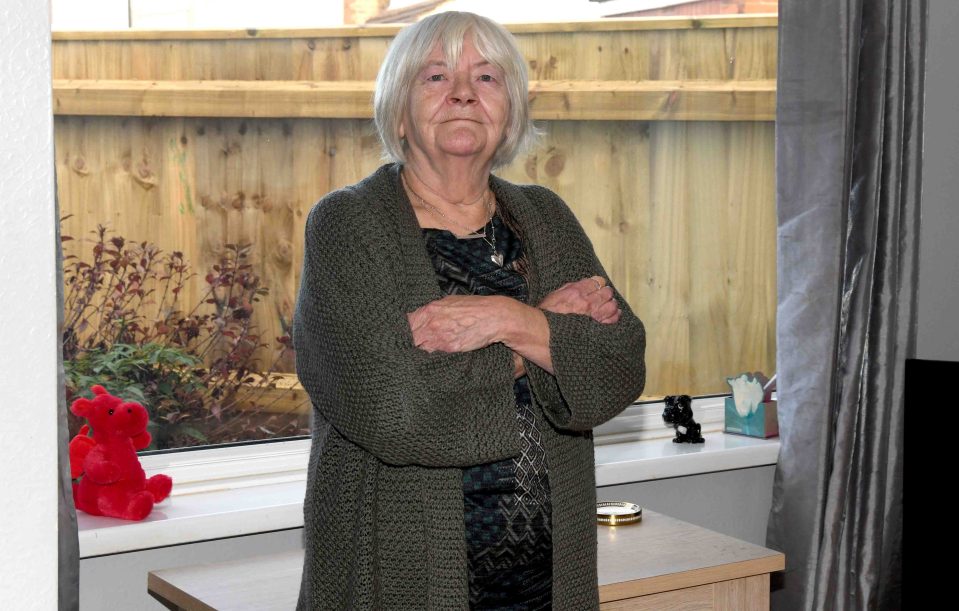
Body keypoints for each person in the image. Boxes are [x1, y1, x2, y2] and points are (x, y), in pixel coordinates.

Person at [293, 11, 646, 610]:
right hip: (399, 577)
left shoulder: (545, 217)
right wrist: (543, 335)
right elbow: (395, 407)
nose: (461, 92)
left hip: (547, 579)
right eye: (434, 77)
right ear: (399, 112)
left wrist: (507, 320)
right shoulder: (348, 226)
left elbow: (619, 365)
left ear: (508, 109)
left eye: (486, 77)